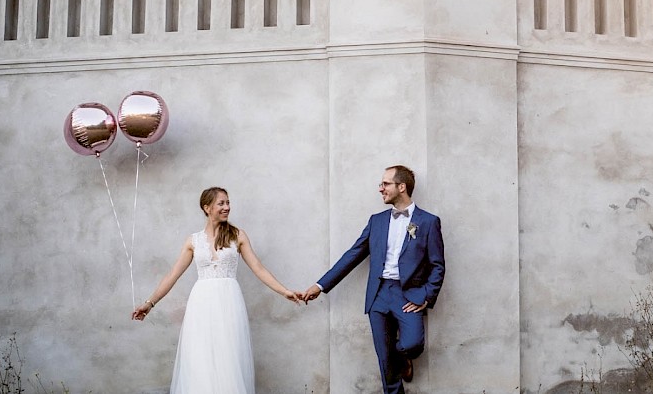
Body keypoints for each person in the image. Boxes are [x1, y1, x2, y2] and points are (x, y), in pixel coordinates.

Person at [132, 187, 301, 394]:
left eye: (228, 203)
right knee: (201, 359)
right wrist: (149, 304)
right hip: (201, 304)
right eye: (221, 203)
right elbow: (172, 275)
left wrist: (284, 291)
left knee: (227, 357)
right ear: (207, 208)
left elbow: (258, 268)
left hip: (229, 302)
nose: (227, 207)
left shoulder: (238, 235)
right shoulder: (193, 241)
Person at [301, 165, 446, 394]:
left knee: (412, 344)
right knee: (384, 360)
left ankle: (403, 358)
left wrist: (427, 296)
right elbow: (352, 255)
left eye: (385, 184)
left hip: (407, 294)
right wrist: (320, 286)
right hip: (378, 293)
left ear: (402, 187)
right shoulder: (376, 221)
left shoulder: (428, 222)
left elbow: (438, 265)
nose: (380, 189)